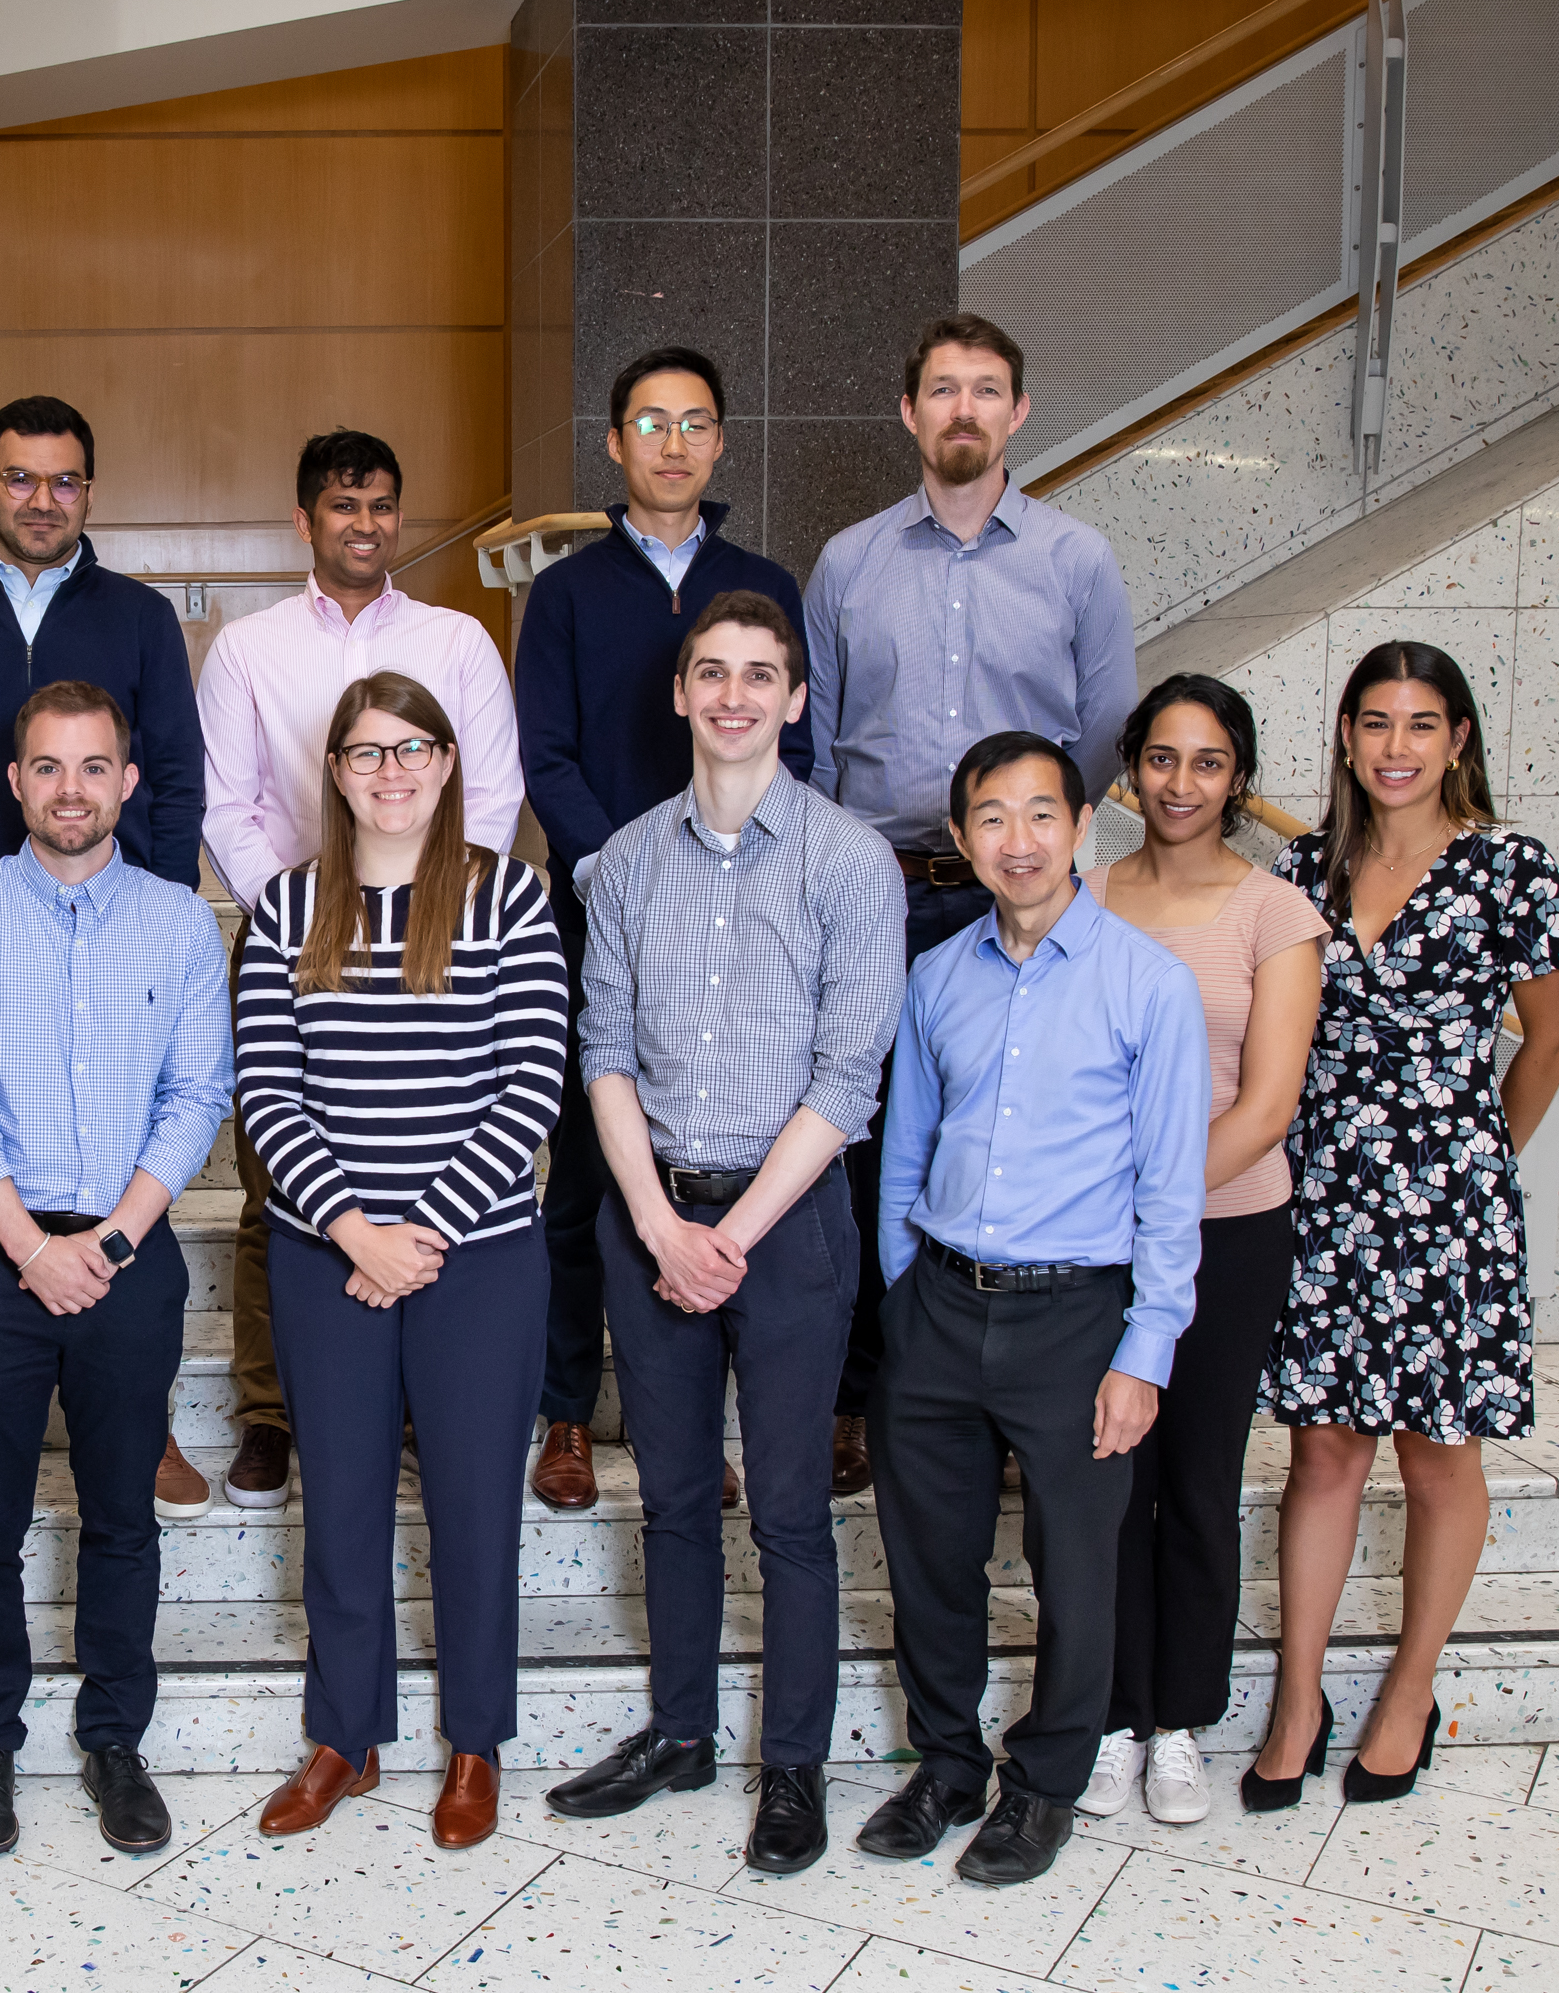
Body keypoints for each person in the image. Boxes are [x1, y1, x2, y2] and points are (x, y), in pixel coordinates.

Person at [541, 594, 901, 1875]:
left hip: (788, 1223)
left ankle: (792, 1764)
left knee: (792, 1510)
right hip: (653, 1213)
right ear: (681, 695)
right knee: (679, 1501)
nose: (736, 694)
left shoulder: (851, 862)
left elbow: (848, 1074)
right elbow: (602, 1052)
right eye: (712, 673)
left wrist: (727, 1236)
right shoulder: (623, 862)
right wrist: (654, 1220)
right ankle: (682, 1731)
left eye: (762, 675)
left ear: (797, 700)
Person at [855, 730, 1203, 1887]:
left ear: (1082, 825)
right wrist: (907, 1296)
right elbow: (904, 1157)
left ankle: (1045, 1781)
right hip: (941, 1309)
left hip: (1078, 1320)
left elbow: (1169, 1186)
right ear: (960, 841)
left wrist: (1143, 1350)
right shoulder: (937, 976)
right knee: (931, 1560)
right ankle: (948, 1762)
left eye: (1041, 814)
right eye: (992, 818)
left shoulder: (1147, 982)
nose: (1019, 839)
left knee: (1078, 1567)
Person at [1246, 641, 1559, 1812]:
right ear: (1344, 736)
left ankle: (1408, 1688)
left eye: (1422, 724)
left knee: (1441, 1454)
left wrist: (1480, 1154)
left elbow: (1547, 1037)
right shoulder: (1296, 869)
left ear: (1459, 741)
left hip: (1450, 1202)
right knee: (1326, 1450)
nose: (1398, 746)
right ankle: (1298, 1695)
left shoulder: (1511, 872)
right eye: (1377, 722)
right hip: (1325, 1191)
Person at [805, 315, 1137, 1499]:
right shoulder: (848, 563)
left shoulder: (1076, 561)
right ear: (909, 413)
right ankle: (865, 1396)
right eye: (941, 389)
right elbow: (819, 744)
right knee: (861, 1146)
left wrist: (1033, 856)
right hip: (881, 895)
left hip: (1022, 898)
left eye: (985, 390)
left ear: (1018, 412)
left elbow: (1104, 735)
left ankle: (1001, 1395)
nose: (962, 409)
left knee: (1007, 1136)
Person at [235, 673, 565, 1852]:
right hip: (331, 1257)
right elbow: (269, 1098)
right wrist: (355, 1231)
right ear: (334, 771)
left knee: (475, 1507)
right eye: (366, 752)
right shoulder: (284, 910)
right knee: (344, 1505)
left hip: (475, 1261)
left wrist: (415, 1234)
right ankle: (347, 1737)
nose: (390, 771)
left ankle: (473, 1743)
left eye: (411, 749)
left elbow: (530, 1085)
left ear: (445, 761)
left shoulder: (507, 900)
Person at [0, 394, 207, 1526]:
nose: (42, 498)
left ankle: (138, 1422)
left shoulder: (142, 618)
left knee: (106, 1167)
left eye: (64, 480)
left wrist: (149, 913)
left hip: (109, 932)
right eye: (21, 478)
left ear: (89, 493)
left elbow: (174, 776)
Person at [0, 680, 231, 1859]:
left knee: (121, 1517)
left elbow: (199, 1094)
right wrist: (30, 1247)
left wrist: (108, 1242)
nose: (72, 789)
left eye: (95, 767)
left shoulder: (179, 922)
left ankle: (112, 1741)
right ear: (15, 781)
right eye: (49, 767)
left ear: (128, 782)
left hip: (125, 1250)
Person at [195, 428, 520, 1517]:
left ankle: (428, 1397)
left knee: (440, 1130)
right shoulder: (248, 647)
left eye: (382, 504)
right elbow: (226, 802)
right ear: (304, 519)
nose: (365, 523)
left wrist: (432, 894)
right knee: (274, 1184)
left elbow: (497, 788)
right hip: (304, 925)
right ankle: (273, 1412)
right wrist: (304, 906)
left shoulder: (459, 638)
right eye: (343, 505)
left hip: (443, 920)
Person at [514, 346, 812, 1515]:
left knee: (719, 1157)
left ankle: (695, 1419)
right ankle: (568, 1413)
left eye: (695, 423)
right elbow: (544, 756)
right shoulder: (570, 591)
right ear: (616, 442)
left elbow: (797, 741)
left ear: (722, 441)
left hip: (748, 917)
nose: (674, 443)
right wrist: (621, 878)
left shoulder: (764, 582)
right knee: (592, 1169)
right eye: (651, 422)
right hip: (604, 916)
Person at [1082, 676, 1326, 1824]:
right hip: (1098, 1242)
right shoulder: (1085, 895)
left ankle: (1179, 1719)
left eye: (1210, 761)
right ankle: (1114, 1714)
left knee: (1196, 1477)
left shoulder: (1274, 912)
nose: (1183, 783)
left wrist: (1153, 1212)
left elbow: (1269, 1101)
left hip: (1226, 1233)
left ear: (1240, 778)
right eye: (1164, 758)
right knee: (1105, 1486)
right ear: (1133, 767)